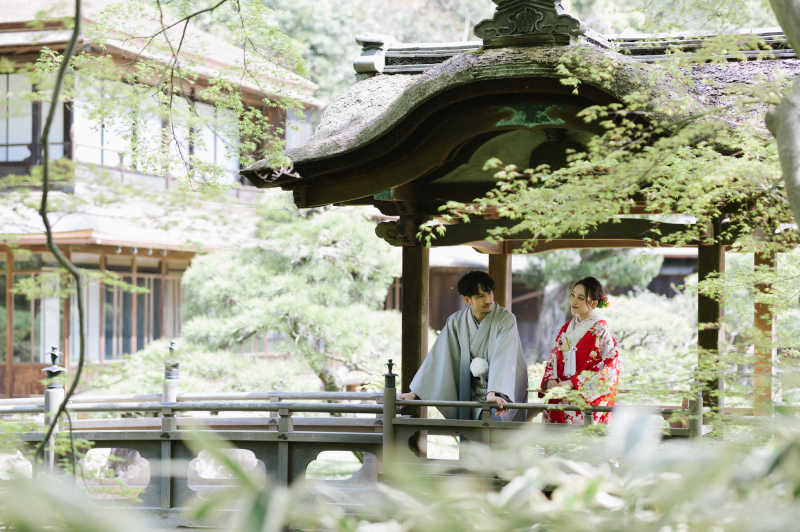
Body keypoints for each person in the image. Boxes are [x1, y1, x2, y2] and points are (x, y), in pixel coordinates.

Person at [399, 270, 529, 421]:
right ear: (468, 300)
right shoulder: (456, 322)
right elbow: (439, 355)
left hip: (498, 393)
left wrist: (493, 392)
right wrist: (413, 393)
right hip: (468, 392)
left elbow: (503, 356)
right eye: (480, 296)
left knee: (497, 435)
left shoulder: (506, 319)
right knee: (469, 437)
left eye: (489, 293)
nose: (488, 300)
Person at [539, 276, 621, 425]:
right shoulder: (565, 328)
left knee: (581, 444)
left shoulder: (600, 329)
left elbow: (610, 365)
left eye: (581, 298)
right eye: (572, 295)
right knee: (556, 444)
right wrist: (551, 378)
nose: (574, 301)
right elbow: (553, 358)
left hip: (582, 401)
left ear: (594, 303)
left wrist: (574, 382)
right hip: (560, 396)